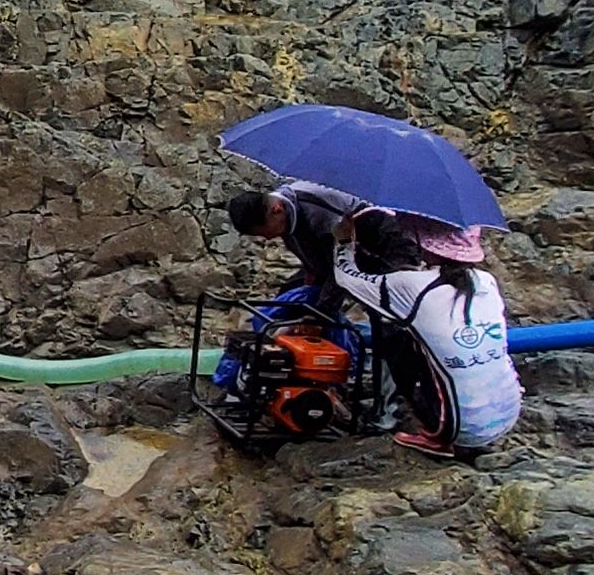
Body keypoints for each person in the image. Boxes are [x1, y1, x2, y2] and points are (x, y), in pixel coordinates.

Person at [334, 210, 520, 456]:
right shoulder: (486, 281)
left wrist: (344, 242)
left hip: (456, 430)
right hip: (509, 414)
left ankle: (434, 435)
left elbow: (347, 279)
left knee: (395, 338)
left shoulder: (412, 286)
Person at [222, 180, 350, 305]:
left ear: (277, 210)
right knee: (288, 298)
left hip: (357, 254)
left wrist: (319, 315)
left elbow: (341, 271)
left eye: (264, 232)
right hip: (322, 264)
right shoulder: (281, 210)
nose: (267, 238)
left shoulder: (321, 217)